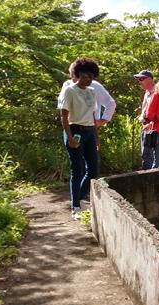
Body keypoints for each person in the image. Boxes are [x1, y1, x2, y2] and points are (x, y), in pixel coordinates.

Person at [60, 57, 100, 220]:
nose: (88, 79)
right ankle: (75, 206)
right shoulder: (70, 90)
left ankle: (80, 198)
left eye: (91, 76)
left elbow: (92, 116)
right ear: (77, 75)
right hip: (74, 130)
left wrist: (97, 138)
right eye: (84, 76)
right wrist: (70, 138)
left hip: (90, 132)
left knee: (93, 169)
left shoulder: (92, 92)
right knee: (77, 170)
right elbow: (64, 117)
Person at [57, 62, 116, 152]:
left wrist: (103, 121)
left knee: (92, 160)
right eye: (72, 75)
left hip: (90, 127)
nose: (75, 78)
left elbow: (111, 103)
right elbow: (63, 107)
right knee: (77, 159)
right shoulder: (67, 86)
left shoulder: (94, 86)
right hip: (74, 127)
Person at [134, 70, 156, 169]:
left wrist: (151, 123)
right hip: (145, 126)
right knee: (145, 155)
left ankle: (150, 179)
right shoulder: (147, 92)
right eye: (139, 79)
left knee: (150, 156)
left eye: (142, 79)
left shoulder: (157, 93)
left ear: (150, 80)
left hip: (153, 128)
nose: (139, 81)